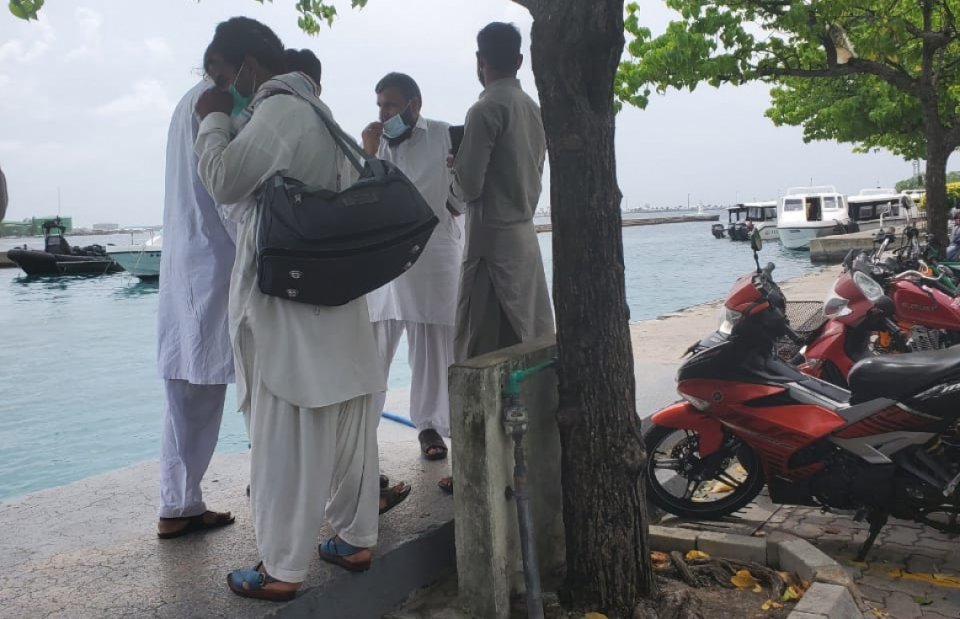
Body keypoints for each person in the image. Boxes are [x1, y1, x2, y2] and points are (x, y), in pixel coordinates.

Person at [194, 17, 385, 601]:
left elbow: (224, 179)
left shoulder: (278, 110)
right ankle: (353, 539)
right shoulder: (323, 116)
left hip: (289, 304)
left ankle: (280, 570)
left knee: (283, 438)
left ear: (248, 67)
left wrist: (212, 119)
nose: (224, 87)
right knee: (350, 427)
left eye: (225, 76)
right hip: (338, 298)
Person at [442, 22, 555, 493]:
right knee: (532, 344)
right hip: (524, 240)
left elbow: (468, 185)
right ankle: (536, 454)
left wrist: (454, 167)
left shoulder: (486, 108)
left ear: (481, 60)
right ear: (521, 61)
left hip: (489, 243)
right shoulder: (531, 108)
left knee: (474, 352)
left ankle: (474, 464)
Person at [360, 72, 464, 462]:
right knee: (373, 350)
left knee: (434, 349)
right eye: (380, 105)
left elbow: (461, 197)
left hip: (433, 257)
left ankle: (430, 426)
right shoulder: (375, 144)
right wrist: (368, 155)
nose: (384, 113)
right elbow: (364, 198)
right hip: (386, 265)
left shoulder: (443, 136)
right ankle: (359, 435)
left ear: (413, 105)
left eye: (390, 105)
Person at [155, 72, 240, 539]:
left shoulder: (185, 102)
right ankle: (276, 493)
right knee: (250, 386)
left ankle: (180, 503)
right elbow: (229, 189)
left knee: (186, 396)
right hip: (215, 265)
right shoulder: (217, 103)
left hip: (188, 265)